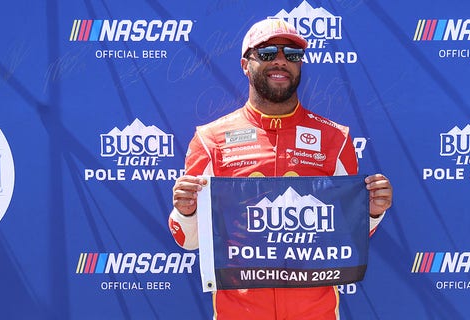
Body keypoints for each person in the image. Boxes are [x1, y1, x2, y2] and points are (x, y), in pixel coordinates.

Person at [168, 18, 393, 320]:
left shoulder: (335, 139)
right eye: (267, 53)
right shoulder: (210, 140)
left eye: (293, 55)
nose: (281, 61)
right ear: (245, 64)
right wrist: (186, 212)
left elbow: (348, 236)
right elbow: (188, 240)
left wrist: (372, 211)